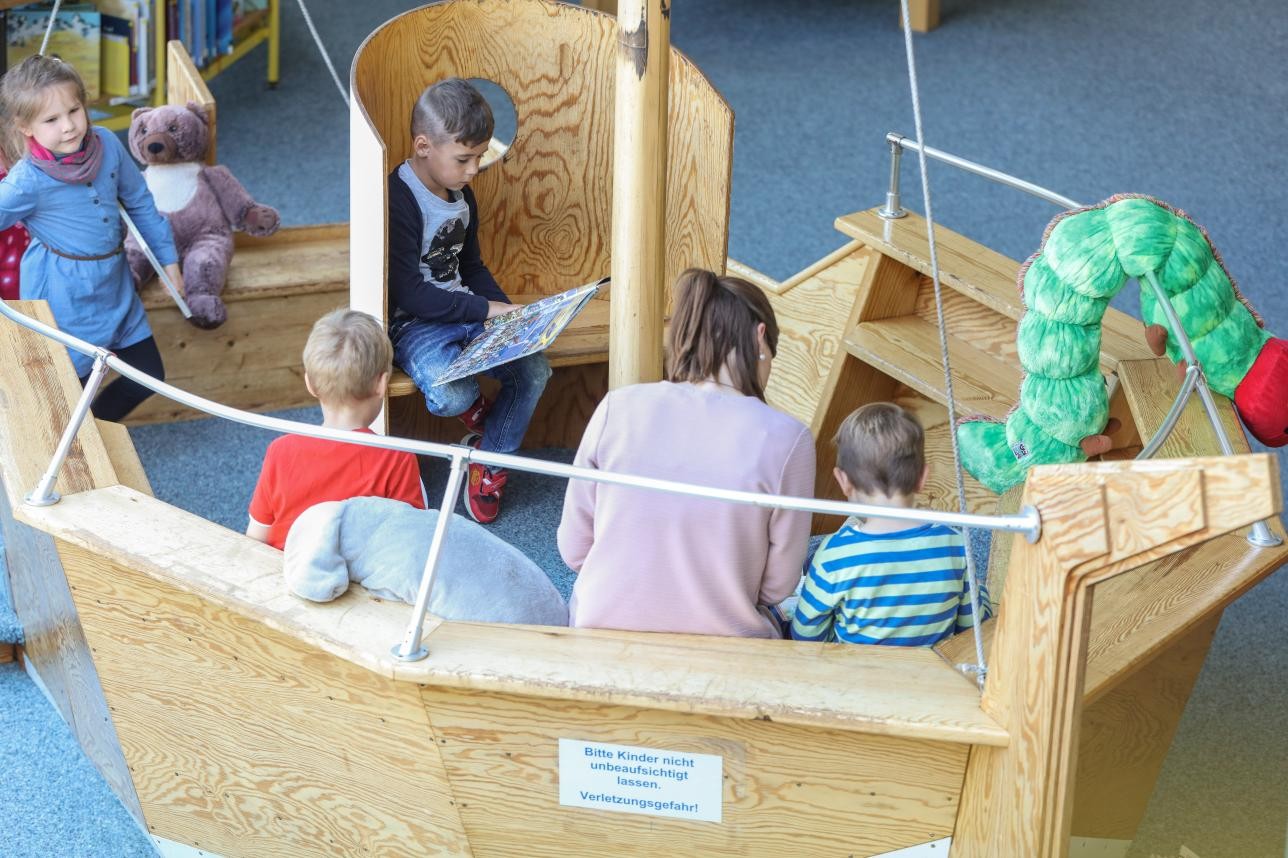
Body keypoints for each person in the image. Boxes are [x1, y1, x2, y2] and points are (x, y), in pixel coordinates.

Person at [557, 268, 815, 638]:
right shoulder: (789, 437)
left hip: (599, 628)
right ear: (761, 338)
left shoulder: (618, 406)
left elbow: (573, 548)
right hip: (727, 646)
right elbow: (778, 585)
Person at [387, 77, 550, 524]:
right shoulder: (398, 198)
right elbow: (408, 292)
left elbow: (471, 266)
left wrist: (503, 313)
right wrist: (485, 310)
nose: (474, 169)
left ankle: (489, 462)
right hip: (415, 323)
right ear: (423, 145)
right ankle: (487, 427)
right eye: (464, 158)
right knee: (449, 391)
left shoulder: (462, 195)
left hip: (465, 309)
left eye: (479, 157)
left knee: (534, 368)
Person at [0, 55, 184, 421]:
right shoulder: (27, 181)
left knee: (149, 376)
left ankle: (95, 431)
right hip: (63, 298)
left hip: (114, 286)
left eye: (75, 110)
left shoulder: (107, 145)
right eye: (51, 119)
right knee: (70, 396)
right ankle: (76, 445)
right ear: (26, 127)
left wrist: (169, 260)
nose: (69, 126)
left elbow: (140, 203)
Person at [791, 402, 991, 646]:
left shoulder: (833, 556)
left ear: (843, 481)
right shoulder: (957, 545)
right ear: (922, 478)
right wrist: (981, 590)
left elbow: (805, 637)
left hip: (854, 681)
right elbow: (974, 631)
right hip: (934, 678)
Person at [247, 309, 426, 550]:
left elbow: (256, 537)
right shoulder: (397, 457)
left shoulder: (280, 451)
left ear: (309, 383)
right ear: (382, 384)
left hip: (287, 575)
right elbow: (410, 542)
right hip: (361, 582)